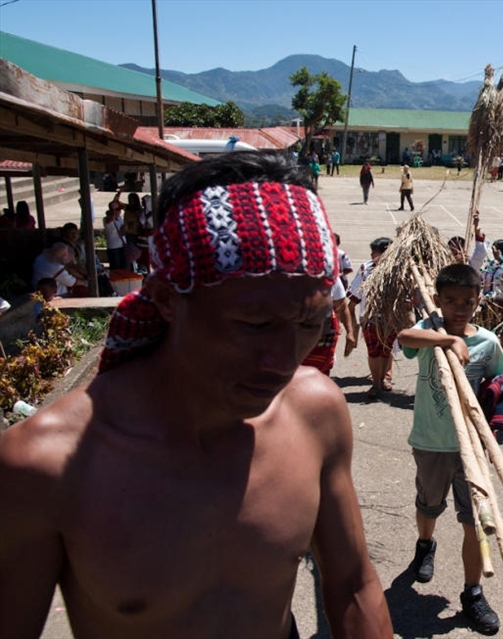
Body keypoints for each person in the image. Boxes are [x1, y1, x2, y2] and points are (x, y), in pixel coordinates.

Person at [0, 151, 393, 639]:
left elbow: (354, 587)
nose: (282, 361)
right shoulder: (45, 465)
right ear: (166, 299)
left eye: (308, 324)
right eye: (254, 324)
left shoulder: (314, 413)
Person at [397, 263, 503, 636]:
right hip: (431, 441)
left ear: (479, 300)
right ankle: (425, 544)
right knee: (428, 504)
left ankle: (472, 591)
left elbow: (501, 387)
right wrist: (447, 340)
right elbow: (404, 337)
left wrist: (496, 423)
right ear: (439, 301)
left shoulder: (488, 342)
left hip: (470, 449)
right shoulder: (429, 331)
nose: (459, 308)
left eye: (467, 301)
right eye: (450, 301)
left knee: (474, 520)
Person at [348, 236, 396, 397]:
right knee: (373, 351)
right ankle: (376, 383)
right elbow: (353, 298)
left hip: (390, 320)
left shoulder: (397, 270)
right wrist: (353, 325)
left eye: (374, 252)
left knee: (386, 350)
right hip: (370, 319)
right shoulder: (365, 269)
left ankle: (383, 379)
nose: (371, 255)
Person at [103, 197, 127, 270]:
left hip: (122, 245)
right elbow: (110, 219)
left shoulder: (120, 219)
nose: (119, 211)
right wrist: (113, 210)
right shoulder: (106, 219)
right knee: (115, 267)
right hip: (113, 247)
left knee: (124, 267)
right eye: (117, 210)